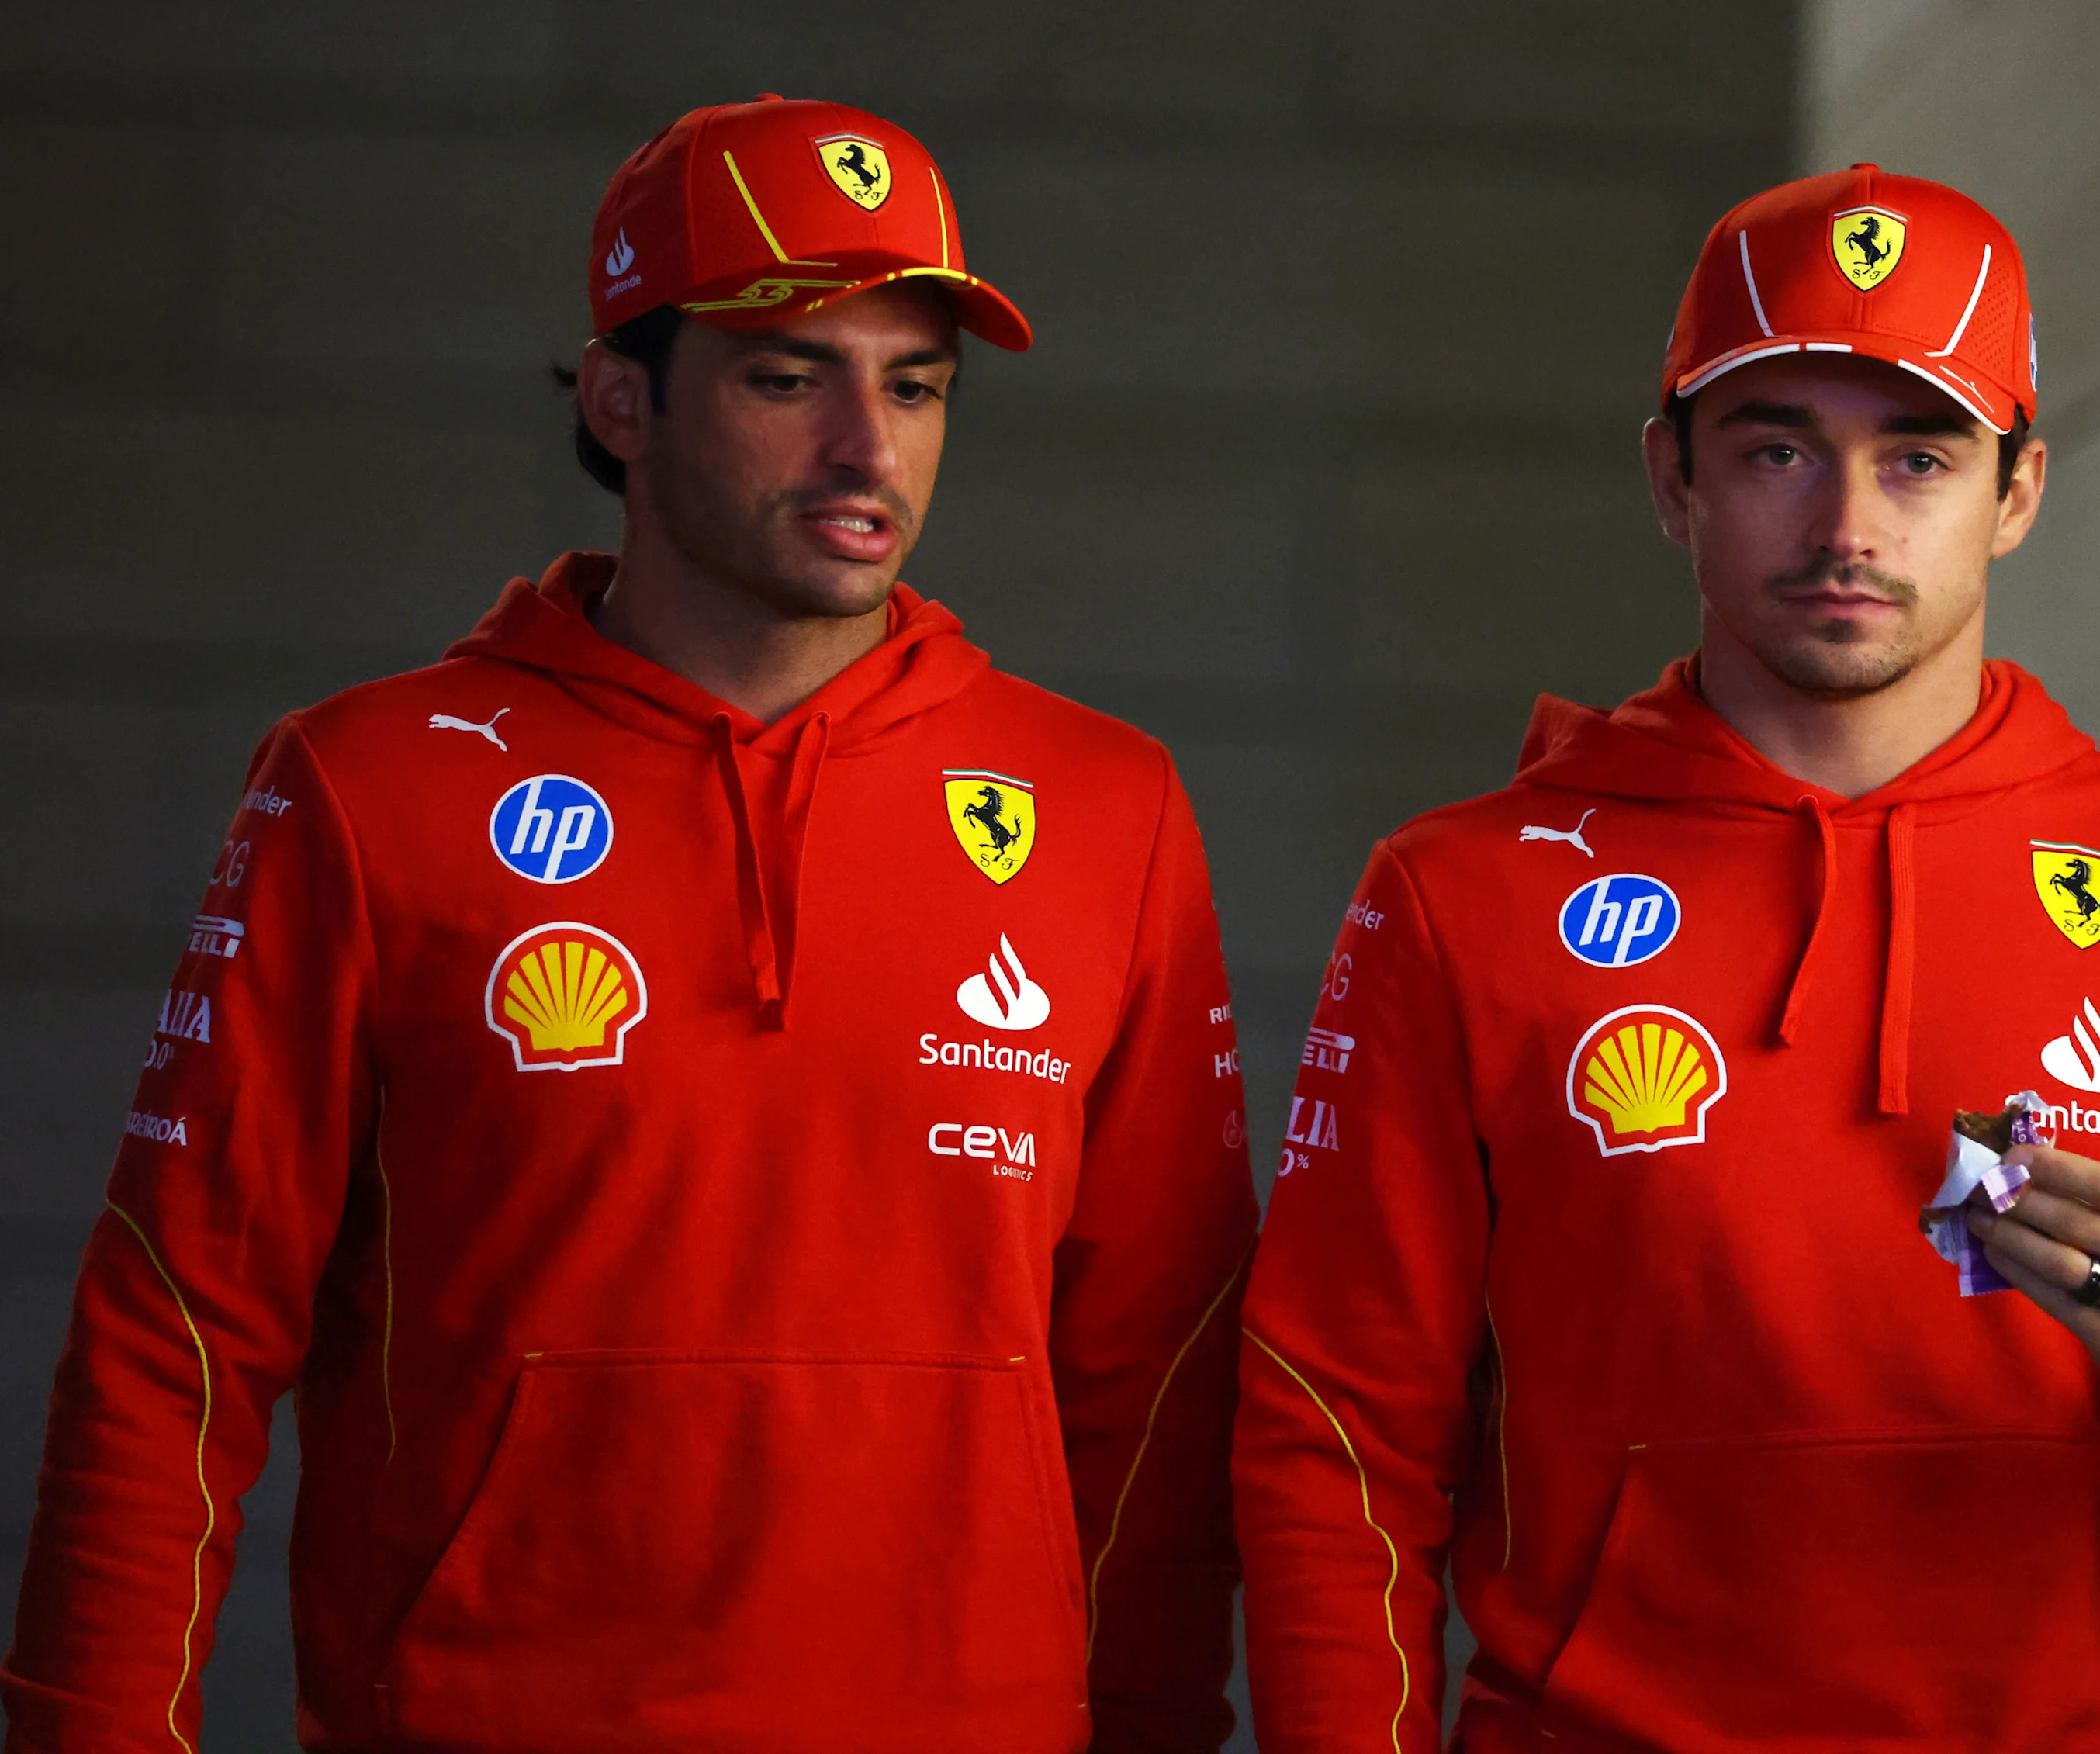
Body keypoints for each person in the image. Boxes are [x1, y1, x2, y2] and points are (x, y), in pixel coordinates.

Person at [4, 96, 1258, 1752]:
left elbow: (1159, 1376)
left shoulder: (1104, 803)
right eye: (786, 374)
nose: (866, 450)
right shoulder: (368, 784)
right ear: (621, 399)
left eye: (914, 384)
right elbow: (174, 1334)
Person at [1232, 164, 2100, 1751]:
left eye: (1920, 456)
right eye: (1774, 451)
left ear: (2017, 491)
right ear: (1670, 479)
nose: (1845, 526)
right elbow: (1336, 1435)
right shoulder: (1457, 890)